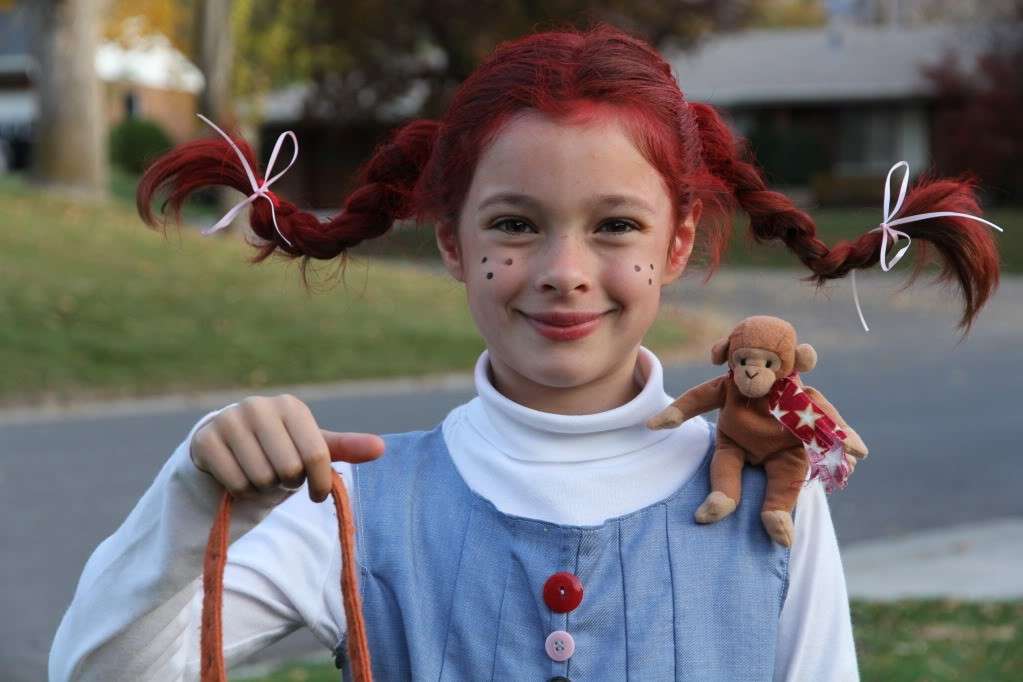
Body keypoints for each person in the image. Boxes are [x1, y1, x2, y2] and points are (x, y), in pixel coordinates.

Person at [49, 23, 1000, 682]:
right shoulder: (348, 507)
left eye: (615, 225)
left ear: (675, 243)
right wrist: (190, 503)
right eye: (515, 224)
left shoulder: (771, 494)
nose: (562, 270)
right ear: (453, 244)